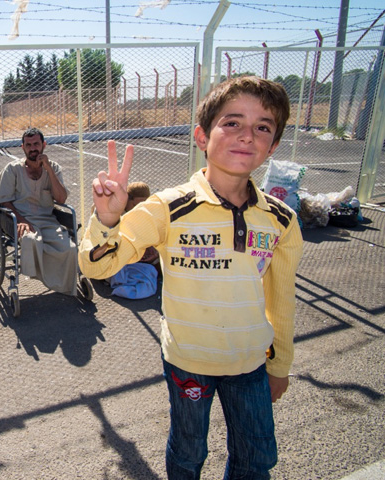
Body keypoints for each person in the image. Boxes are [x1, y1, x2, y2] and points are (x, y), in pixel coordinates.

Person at [79, 76, 303, 479]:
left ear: (273, 145)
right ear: (202, 136)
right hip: (187, 363)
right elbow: (97, 267)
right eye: (232, 122)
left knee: (255, 459)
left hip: (251, 363)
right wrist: (108, 218)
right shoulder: (167, 208)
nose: (247, 136)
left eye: (263, 127)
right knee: (187, 453)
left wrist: (280, 364)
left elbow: (281, 300)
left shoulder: (281, 220)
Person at [0, 127, 78, 296]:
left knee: (69, 247)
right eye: (29, 145)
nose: (33, 148)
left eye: (36, 144)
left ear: (44, 145)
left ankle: (63, 284)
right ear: (23, 147)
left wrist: (48, 169)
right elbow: (3, 201)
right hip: (20, 219)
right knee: (31, 240)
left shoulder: (54, 168)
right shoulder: (12, 169)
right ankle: (44, 277)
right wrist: (20, 219)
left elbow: (61, 199)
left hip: (47, 219)